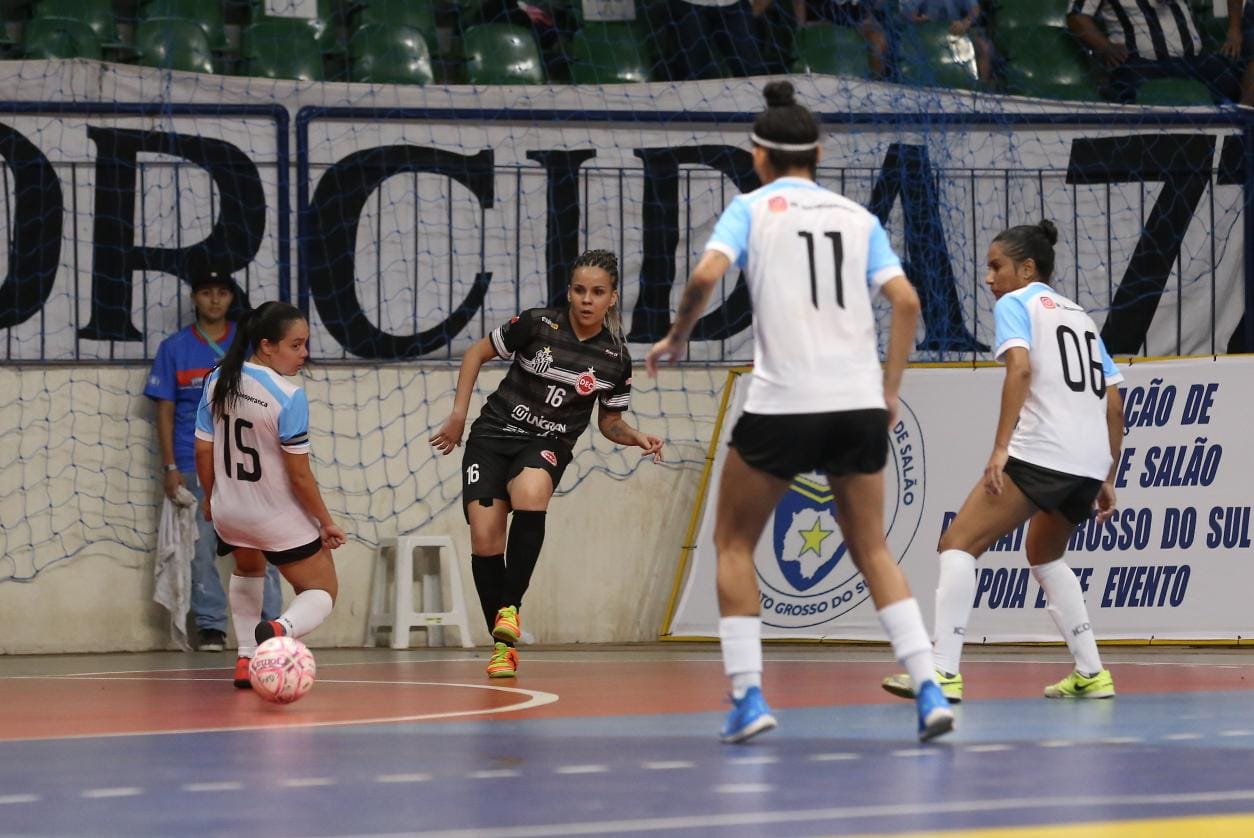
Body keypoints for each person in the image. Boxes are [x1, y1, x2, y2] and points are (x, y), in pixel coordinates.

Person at [646, 81, 954, 744]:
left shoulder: (751, 209)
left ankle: (750, 697)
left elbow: (703, 278)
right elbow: (906, 303)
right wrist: (889, 389)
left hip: (784, 402)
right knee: (871, 547)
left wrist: (678, 334)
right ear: (817, 152)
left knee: (733, 544)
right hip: (856, 402)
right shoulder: (857, 217)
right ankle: (928, 687)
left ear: (758, 154)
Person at [881, 221, 1124, 705]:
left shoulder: (1017, 304)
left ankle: (943, 671)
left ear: (1026, 268)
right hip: (1088, 458)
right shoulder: (1080, 317)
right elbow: (1113, 403)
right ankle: (1092, 672)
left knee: (957, 544)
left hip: (1043, 452)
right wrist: (1107, 474)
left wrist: (999, 450)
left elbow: (1020, 368)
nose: (989, 279)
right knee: (1045, 555)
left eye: (996, 267)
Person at [430, 250, 663, 679]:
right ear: (569, 291)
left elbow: (609, 422)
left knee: (532, 492)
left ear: (612, 298)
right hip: (492, 435)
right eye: (579, 290)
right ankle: (502, 647)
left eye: (597, 292)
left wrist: (634, 437)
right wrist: (459, 416)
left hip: (546, 442)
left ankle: (511, 609)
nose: (586, 300)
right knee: (485, 541)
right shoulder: (537, 324)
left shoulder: (615, 359)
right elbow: (473, 355)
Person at [193, 301, 345, 688]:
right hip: (274, 517)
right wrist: (325, 522)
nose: (304, 354)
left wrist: (211, 498)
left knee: (248, 568)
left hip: (231, 513)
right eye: (296, 345)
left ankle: (246, 659)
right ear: (266, 345)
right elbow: (299, 474)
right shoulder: (288, 395)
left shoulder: (217, 379)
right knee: (322, 590)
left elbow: (202, 451)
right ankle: (281, 628)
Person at [144, 270, 281, 652]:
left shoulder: (251, 343)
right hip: (194, 462)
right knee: (200, 548)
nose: (215, 300)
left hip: (248, 465)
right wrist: (171, 468)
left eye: (222, 292)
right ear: (194, 298)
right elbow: (165, 411)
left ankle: (272, 625)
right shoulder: (174, 348)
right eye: (207, 292)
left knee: (261, 544)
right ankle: (211, 626)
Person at [1067, 0, 1244, 104]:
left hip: (1192, 61)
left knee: (1226, 76)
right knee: (1130, 81)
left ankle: (1227, 150)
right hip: (1141, 64)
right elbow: (1076, 16)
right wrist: (1105, 46)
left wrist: (1234, 29)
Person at [903, 0, 996, 84]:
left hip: (957, 30)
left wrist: (965, 22)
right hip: (924, 31)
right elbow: (908, 11)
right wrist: (918, 18)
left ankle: (982, 89)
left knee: (984, 48)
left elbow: (975, 8)